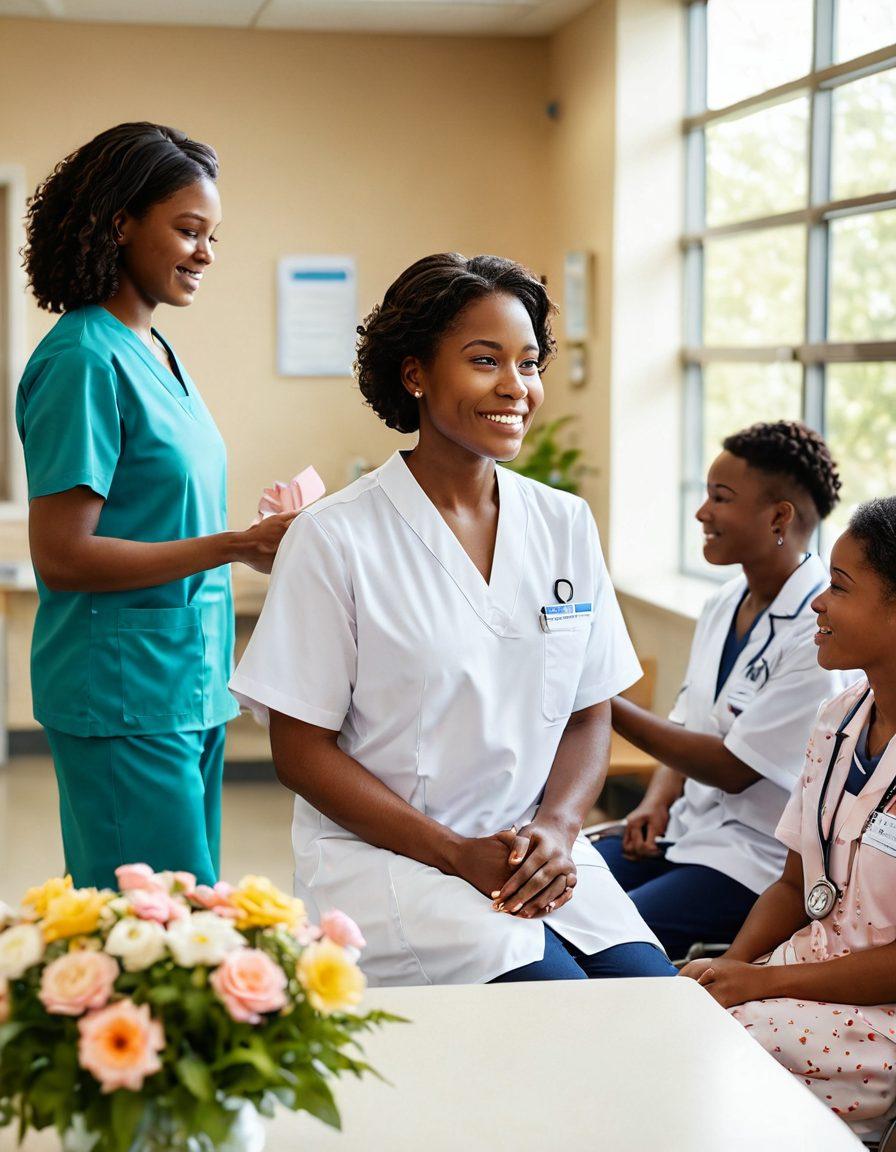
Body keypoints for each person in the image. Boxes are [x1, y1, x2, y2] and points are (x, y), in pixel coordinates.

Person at [230, 253, 677, 985]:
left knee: (650, 996)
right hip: (394, 863)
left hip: (539, 848)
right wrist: (455, 853)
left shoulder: (563, 522)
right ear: (415, 375)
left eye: (529, 363)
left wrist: (561, 829)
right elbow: (301, 750)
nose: (515, 387)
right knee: (558, 1000)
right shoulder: (336, 536)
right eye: (484, 360)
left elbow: (588, 711)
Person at [16, 122, 294, 890]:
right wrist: (236, 545)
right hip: (123, 694)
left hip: (186, 682)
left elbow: (161, 510)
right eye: (188, 230)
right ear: (120, 224)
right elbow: (64, 555)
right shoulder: (82, 359)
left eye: (212, 235)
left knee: (190, 908)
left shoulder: (158, 352)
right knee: (153, 931)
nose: (205, 253)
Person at [681, 498, 896, 1139]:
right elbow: (792, 887)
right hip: (797, 979)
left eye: (840, 586)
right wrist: (731, 968)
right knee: (674, 1011)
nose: (818, 603)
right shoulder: (837, 722)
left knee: (694, 1063)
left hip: (876, 1015)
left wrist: (755, 985)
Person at [595, 422, 851, 958]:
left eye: (720, 498)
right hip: (686, 830)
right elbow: (689, 722)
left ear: (779, 516)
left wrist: (598, 699)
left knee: (605, 938)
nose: (702, 512)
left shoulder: (819, 631)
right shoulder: (724, 602)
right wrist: (657, 800)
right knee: (566, 894)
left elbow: (732, 767)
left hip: (752, 861)